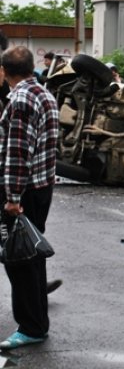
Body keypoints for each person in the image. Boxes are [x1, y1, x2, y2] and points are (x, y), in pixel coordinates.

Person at [0, 46, 59, 350]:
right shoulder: (43, 93)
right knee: (32, 254)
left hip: (25, 190)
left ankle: (31, 326)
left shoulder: (20, 99)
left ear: (3, 71)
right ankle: (37, 321)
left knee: (19, 258)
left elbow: (18, 154)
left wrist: (12, 197)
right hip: (42, 186)